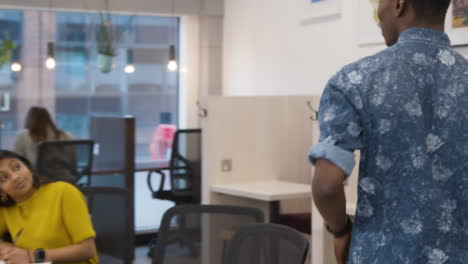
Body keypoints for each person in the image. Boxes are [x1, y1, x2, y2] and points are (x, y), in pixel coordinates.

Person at [308, 0, 468, 263]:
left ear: (398, 5)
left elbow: (326, 186)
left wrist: (340, 231)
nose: (377, 12)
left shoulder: (354, 80)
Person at [0, 150, 98, 264]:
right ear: (1, 192)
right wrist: (9, 250)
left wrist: (31, 256)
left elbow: (87, 250)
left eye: (17, 167)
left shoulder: (63, 192)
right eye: (4, 178)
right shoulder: (7, 207)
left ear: (29, 168)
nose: (15, 177)